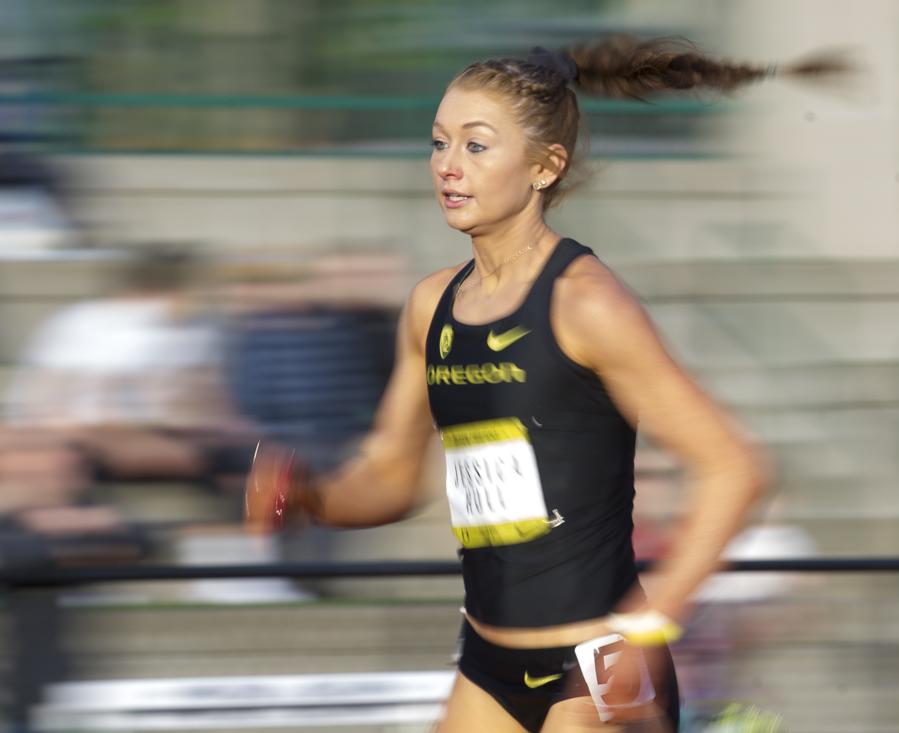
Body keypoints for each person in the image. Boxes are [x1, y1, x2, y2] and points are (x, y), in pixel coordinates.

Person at [247, 36, 847, 732]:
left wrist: (648, 624)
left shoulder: (586, 304)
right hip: (486, 663)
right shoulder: (429, 307)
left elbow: (735, 468)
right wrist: (311, 494)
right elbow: (389, 474)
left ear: (544, 166)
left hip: (594, 671)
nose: (448, 166)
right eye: (439, 142)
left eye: (477, 146)